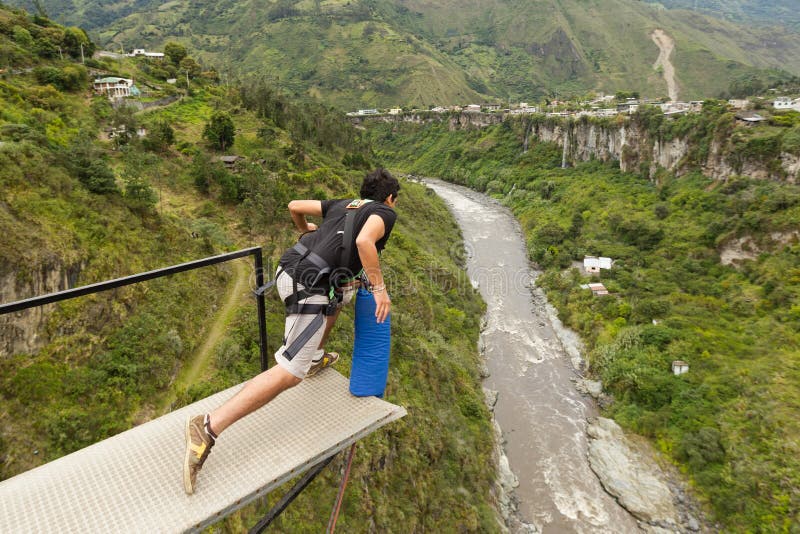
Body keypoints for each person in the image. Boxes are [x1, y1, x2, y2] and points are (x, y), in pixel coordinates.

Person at [183, 168, 399, 495]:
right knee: (289, 372)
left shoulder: (345, 204)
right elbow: (364, 241)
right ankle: (208, 427)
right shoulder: (384, 211)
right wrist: (380, 289)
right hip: (307, 286)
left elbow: (294, 205)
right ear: (390, 198)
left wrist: (306, 230)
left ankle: (313, 356)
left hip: (289, 268)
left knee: (345, 289)